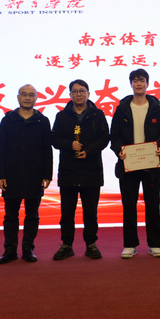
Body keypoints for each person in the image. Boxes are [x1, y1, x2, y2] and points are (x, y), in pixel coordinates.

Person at [110, 69, 160, 259]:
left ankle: (155, 244)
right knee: (129, 206)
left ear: (147, 84)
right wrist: (119, 150)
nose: (138, 84)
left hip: (151, 165)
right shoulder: (122, 109)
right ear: (131, 84)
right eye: (135, 81)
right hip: (129, 165)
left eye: (142, 80)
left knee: (153, 206)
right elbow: (114, 136)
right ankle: (130, 245)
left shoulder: (156, 108)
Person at [51, 79, 110, 260]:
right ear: (70, 95)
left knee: (90, 212)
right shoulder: (62, 116)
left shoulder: (97, 114)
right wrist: (69, 144)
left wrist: (88, 151)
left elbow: (104, 138)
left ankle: (91, 244)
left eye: (82, 91)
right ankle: (66, 245)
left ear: (88, 94)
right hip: (68, 170)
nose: (78, 94)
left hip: (91, 170)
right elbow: (54, 139)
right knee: (67, 213)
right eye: (75, 91)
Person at [0, 84, 53, 264]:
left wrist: (47, 174)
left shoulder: (42, 121)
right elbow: (0, 149)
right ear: (18, 97)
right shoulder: (8, 120)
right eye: (24, 94)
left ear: (36, 98)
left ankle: (28, 249)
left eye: (31, 95)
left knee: (32, 216)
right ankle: (10, 251)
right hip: (11, 176)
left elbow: (47, 150)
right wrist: (0, 175)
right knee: (10, 216)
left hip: (34, 175)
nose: (27, 98)